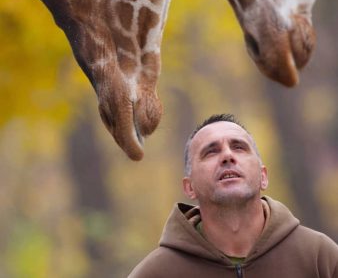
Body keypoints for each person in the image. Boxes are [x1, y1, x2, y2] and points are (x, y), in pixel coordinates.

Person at [128, 114, 338, 277]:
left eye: (239, 147)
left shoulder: (319, 256)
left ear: (263, 177)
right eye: (211, 151)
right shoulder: (156, 273)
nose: (227, 156)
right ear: (189, 187)